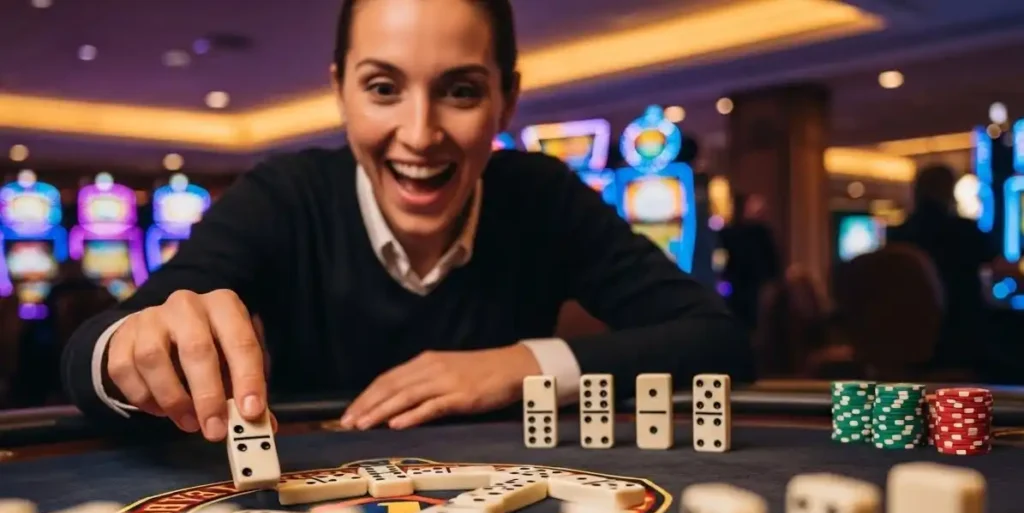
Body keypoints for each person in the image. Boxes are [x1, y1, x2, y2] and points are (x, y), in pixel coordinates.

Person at [61, 0, 754, 442]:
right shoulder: (286, 195)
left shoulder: (541, 196)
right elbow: (92, 354)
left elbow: (718, 342)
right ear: (340, 92)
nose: (419, 135)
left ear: (506, 101)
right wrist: (130, 344)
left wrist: (520, 367)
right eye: (384, 88)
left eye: (460, 90)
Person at [887, 163, 1015, 372]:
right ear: (948, 190)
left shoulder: (898, 235)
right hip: (962, 338)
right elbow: (1003, 269)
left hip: (907, 339)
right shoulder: (963, 230)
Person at [718, 193, 781, 332]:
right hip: (752, 291)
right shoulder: (761, 234)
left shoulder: (731, 234)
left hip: (741, 291)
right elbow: (773, 267)